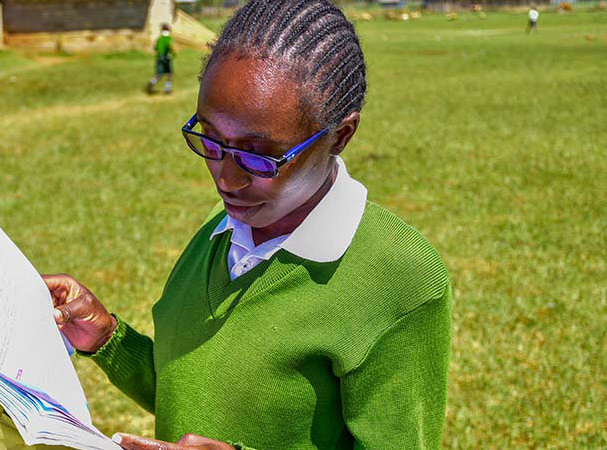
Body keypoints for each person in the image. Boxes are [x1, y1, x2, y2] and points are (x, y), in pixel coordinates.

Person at [45, 1, 452, 449]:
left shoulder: (401, 277)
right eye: (210, 139)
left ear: (340, 135)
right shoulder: (220, 231)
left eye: (258, 156)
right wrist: (107, 337)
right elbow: (192, 390)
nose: (226, 177)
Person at [147, 23, 174, 94]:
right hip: (165, 59)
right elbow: (169, 47)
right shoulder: (168, 38)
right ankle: (167, 89)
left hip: (160, 58)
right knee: (168, 74)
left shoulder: (159, 39)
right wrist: (172, 53)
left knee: (161, 74)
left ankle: (152, 83)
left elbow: (155, 48)